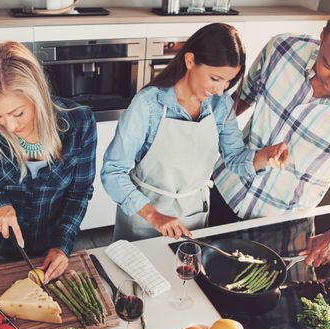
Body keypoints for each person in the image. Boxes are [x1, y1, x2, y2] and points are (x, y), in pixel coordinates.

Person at [210, 1, 330, 267]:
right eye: (328, 66)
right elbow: (237, 103)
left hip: (281, 229)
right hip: (221, 191)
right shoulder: (281, 50)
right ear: (322, 37)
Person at [101, 23, 288, 242]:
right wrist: (154, 216)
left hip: (193, 215)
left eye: (229, 81)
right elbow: (112, 172)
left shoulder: (220, 105)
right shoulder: (149, 104)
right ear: (190, 61)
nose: (220, 90)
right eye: (215, 79)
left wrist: (265, 157)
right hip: (145, 218)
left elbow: (235, 158)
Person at [0, 41, 97, 281]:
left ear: (37, 95)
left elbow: (79, 192)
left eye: (18, 113)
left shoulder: (80, 122)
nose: (10, 126)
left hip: (49, 249)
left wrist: (63, 244)